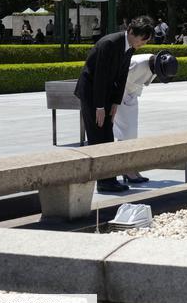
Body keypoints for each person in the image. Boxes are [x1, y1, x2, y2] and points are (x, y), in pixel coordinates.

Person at [74, 16, 154, 193]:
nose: (143, 44)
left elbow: (122, 75)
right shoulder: (110, 43)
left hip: (106, 96)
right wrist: (100, 106)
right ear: (132, 32)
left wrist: (116, 102)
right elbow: (100, 76)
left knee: (107, 136)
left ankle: (109, 178)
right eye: (142, 39)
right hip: (92, 95)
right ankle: (103, 181)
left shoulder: (129, 47)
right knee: (97, 135)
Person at [114, 50, 178, 185]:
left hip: (131, 96)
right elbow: (118, 80)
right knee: (126, 134)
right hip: (120, 96)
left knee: (131, 134)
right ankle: (126, 169)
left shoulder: (154, 64)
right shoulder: (138, 64)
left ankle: (130, 168)